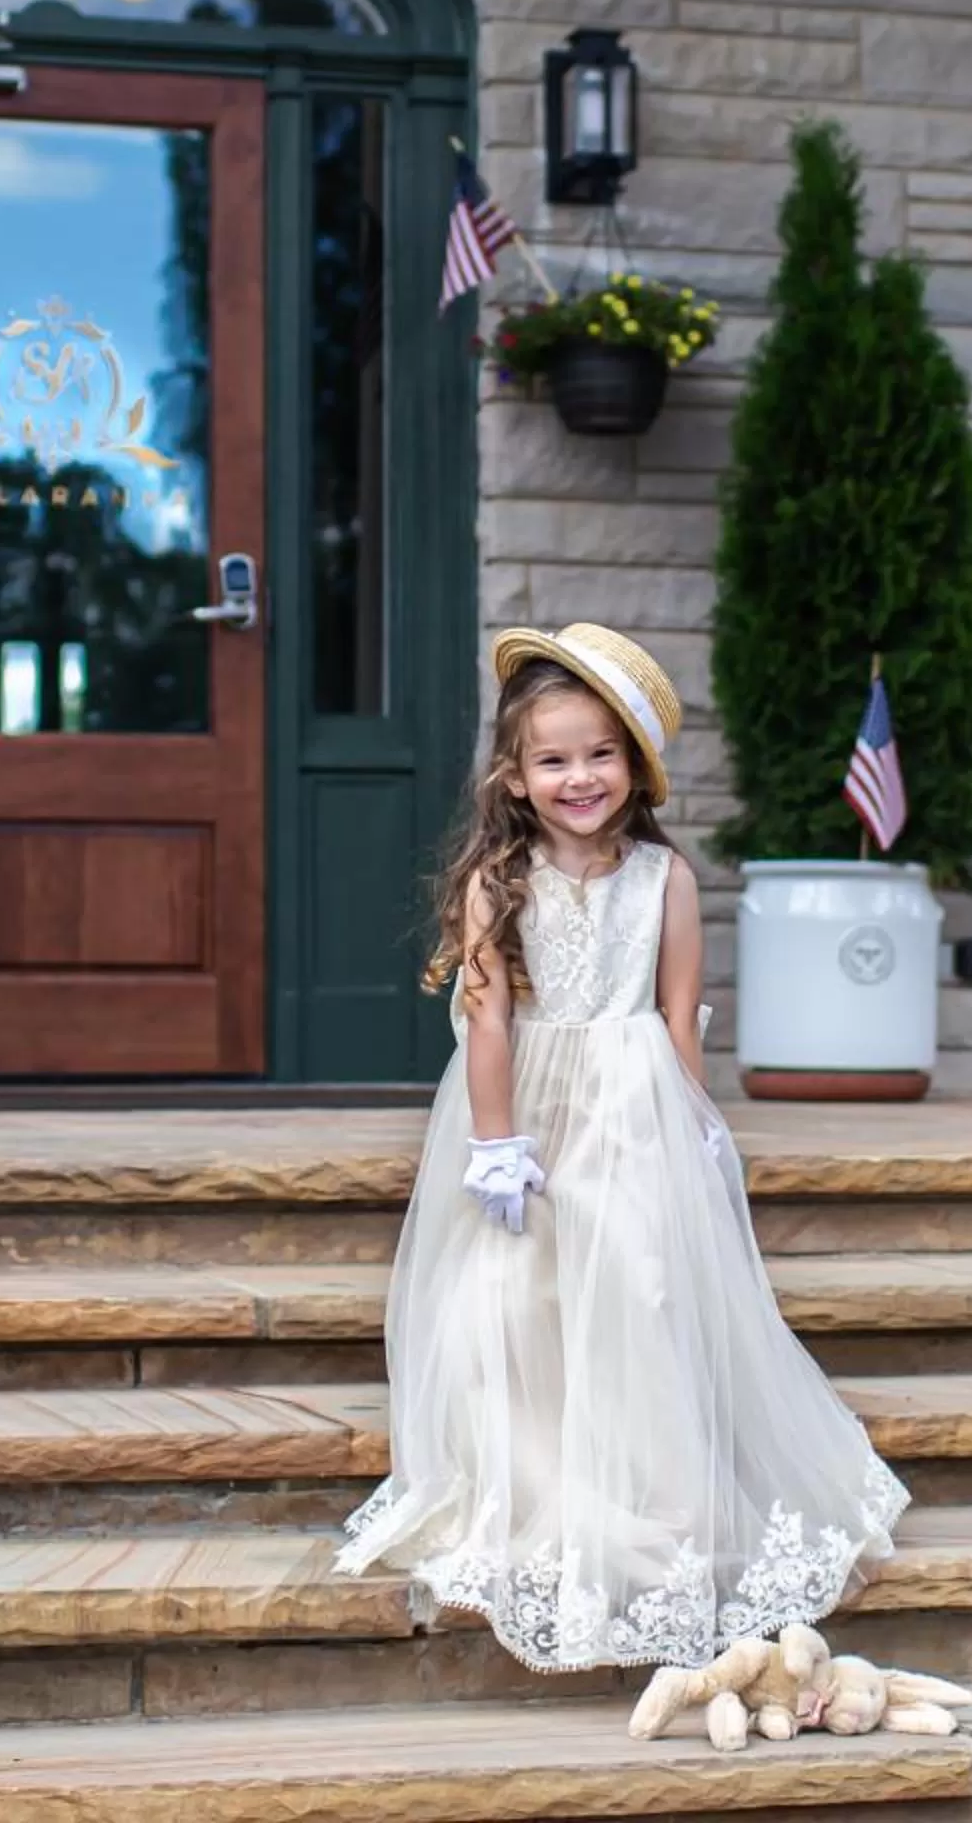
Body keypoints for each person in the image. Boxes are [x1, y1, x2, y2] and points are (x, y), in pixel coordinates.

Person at [336, 622, 908, 1674]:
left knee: (638, 1292)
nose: (579, 776)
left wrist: (697, 1131)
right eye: (553, 758)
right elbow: (491, 1020)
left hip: (634, 1110)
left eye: (600, 753)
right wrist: (496, 1144)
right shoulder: (496, 883)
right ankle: (544, 1490)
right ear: (514, 774)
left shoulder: (664, 880)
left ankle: (656, 1504)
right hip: (528, 1108)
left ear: (635, 765)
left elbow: (680, 1014)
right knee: (516, 1300)